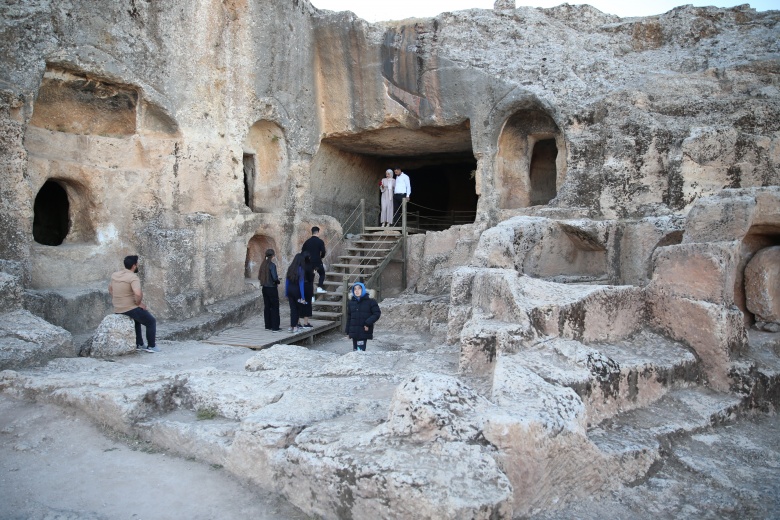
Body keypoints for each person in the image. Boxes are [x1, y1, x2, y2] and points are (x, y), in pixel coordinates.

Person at [108, 255, 158, 353]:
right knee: (151, 321)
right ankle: (151, 346)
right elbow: (138, 293)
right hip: (129, 308)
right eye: (137, 264)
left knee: (137, 320)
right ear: (134, 266)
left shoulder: (115, 275)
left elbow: (110, 289)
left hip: (118, 307)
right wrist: (138, 303)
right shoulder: (133, 277)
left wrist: (119, 298)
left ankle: (139, 343)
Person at [344, 282, 381, 352]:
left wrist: (367, 323)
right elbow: (349, 317)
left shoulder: (370, 301)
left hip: (364, 330)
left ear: (363, 289)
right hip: (354, 332)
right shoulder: (351, 302)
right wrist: (348, 332)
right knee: (355, 351)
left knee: (360, 351)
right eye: (355, 289)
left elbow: (377, 313)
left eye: (359, 289)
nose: (357, 291)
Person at [284, 253, 308, 333]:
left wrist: (286, 293)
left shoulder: (290, 268)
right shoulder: (301, 270)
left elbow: (287, 282)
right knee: (297, 309)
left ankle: (291, 325)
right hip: (297, 291)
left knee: (292, 308)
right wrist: (303, 297)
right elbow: (301, 284)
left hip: (290, 290)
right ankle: (295, 326)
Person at [258, 248, 281, 332]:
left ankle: (268, 325)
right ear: (273, 256)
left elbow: (259, 277)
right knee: (275, 307)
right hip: (272, 288)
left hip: (265, 288)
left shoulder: (263, 265)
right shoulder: (272, 265)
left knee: (267, 307)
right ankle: (275, 327)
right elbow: (274, 278)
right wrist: (278, 281)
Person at [301, 226, 327, 294]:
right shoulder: (320, 241)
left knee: (310, 279)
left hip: (308, 263)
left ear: (312, 232)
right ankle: (319, 287)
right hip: (317, 262)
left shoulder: (307, 242)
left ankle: (311, 297)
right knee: (322, 274)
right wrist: (321, 257)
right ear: (318, 232)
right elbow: (323, 252)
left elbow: (302, 252)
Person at [298, 251, 315, 328]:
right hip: (307, 285)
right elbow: (311, 278)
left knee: (299, 303)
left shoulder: (299, 265)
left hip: (299, 285)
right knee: (307, 304)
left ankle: (297, 321)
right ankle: (305, 322)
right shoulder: (309, 265)